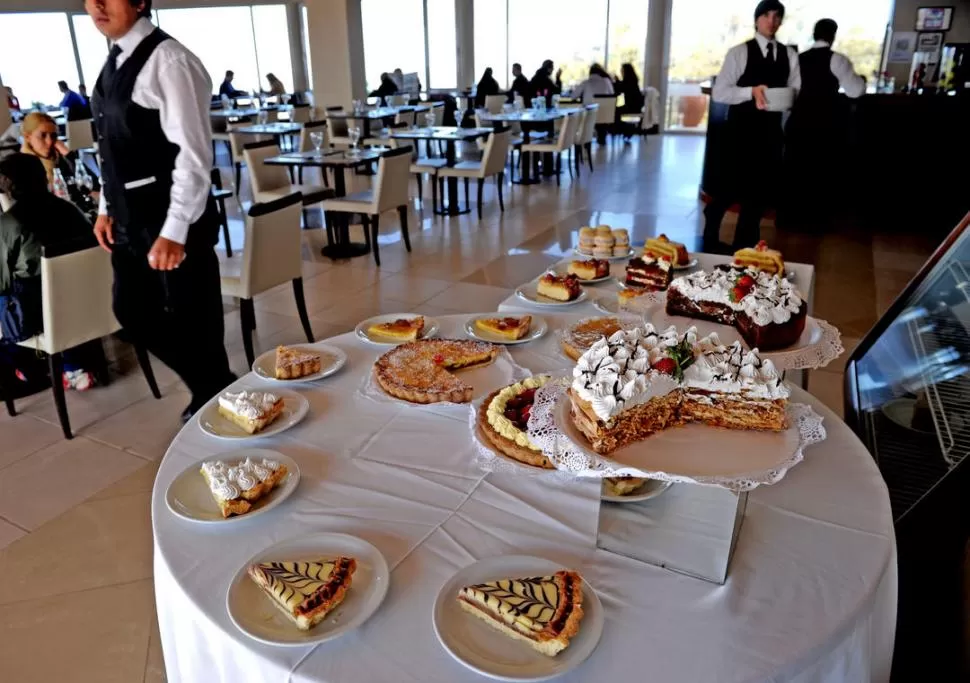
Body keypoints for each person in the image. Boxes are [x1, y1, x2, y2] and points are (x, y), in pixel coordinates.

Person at [85, 0, 234, 422]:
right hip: (130, 219)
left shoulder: (169, 60)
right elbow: (112, 146)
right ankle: (216, 383)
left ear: (138, 2)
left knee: (195, 315)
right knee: (131, 310)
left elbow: (193, 155)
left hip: (173, 218)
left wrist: (175, 230)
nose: (96, 4)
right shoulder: (115, 60)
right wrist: (105, 205)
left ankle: (213, 391)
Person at [703, 0, 801, 252]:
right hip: (740, 130)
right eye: (767, 15)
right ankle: (712, 224)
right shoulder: (739, 52)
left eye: (777, 16)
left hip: (770, 132)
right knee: (729, 187)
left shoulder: (789, 54)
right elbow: (721, 92)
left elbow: (794, 89)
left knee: (758, 194)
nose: (772, 20)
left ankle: (744, 250)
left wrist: (786, 103)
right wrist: (751, 92)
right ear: (757, 19)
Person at [0, 153, 102, 391]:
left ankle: (29, 366)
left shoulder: (10, 223)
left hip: (41, 315)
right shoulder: (69, 209)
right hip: (90, 304)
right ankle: (72, 365)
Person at [783, 18, 865, 228]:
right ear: (833, 35)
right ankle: (813, 222)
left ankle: (789, 219)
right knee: (818, 173)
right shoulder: (838, 60)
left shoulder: (797, 59)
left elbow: (790, 93)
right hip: (824, 124)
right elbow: (855, 90)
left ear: (814, 33)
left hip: (798, 122)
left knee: (794, 171)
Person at [19, 111, 98, 210]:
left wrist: (68, 154)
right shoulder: (23, 166)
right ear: (27, 137)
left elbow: (93, 185)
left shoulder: (58, 159)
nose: (49, 142)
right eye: (42, 136)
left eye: (53, 136)